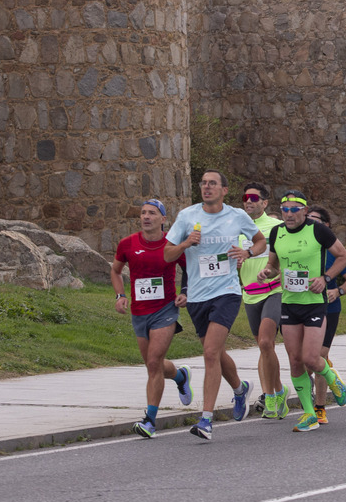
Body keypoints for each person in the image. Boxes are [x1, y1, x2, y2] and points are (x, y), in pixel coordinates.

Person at [165, 170, 266, 440]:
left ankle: (206, 420)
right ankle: (240, 388)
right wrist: (186, 243)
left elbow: (260, 241)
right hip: (198, 296)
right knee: (216, 352)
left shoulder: (236, 216)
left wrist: (247, 252)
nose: (207, 187)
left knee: (210, 352)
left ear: (224, 190)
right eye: (204, 183)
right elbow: (167, 253)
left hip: (227, 292)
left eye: (213, 184)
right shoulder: (187, 216)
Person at [255, 192, 346, 432]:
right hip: (289, 303)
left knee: (310, 358)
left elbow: (343, 256)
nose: (288, 213)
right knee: (295, 361)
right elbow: (274, 264)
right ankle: (309, 413)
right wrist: (267, 272)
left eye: (293, 209)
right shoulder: (277, 233)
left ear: (304, 211)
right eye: (284, 209)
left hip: (314, 303)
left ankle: (331, 377)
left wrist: (326, 277)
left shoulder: (318, 231)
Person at [111, 199, 193, 438]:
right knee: (151, 363)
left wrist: (185, 292)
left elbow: (189, 268)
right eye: (144, 213)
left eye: (152, 213)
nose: (146, 217)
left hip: (165, 310)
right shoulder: (127, 244)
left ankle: (149, 420)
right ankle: (181, 376)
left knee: (154, 363)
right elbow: (115, 270)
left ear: (163, 219)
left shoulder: (171, 244)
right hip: (139, 311)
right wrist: (120, 295)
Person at [237, 182, 287, 420]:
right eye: (246, 197)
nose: (249, 201)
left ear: (265, 203)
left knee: (267, 342)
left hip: (274, 290)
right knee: (264, 347)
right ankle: (279, 391)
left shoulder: (276, 226)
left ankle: (270, 396)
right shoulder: (237, 228)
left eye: (254, 198)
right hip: (249, 292)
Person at [306, 204, 346, 425]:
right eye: (307, 218)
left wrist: (337, 291)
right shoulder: (298, 246)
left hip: (328, 309)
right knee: (302, 359)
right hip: (301, 308)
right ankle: (309, 403)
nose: (310, 223)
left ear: (326, 226)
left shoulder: (332, 252)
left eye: (316, 220)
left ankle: (319, 408)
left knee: (318, 355)